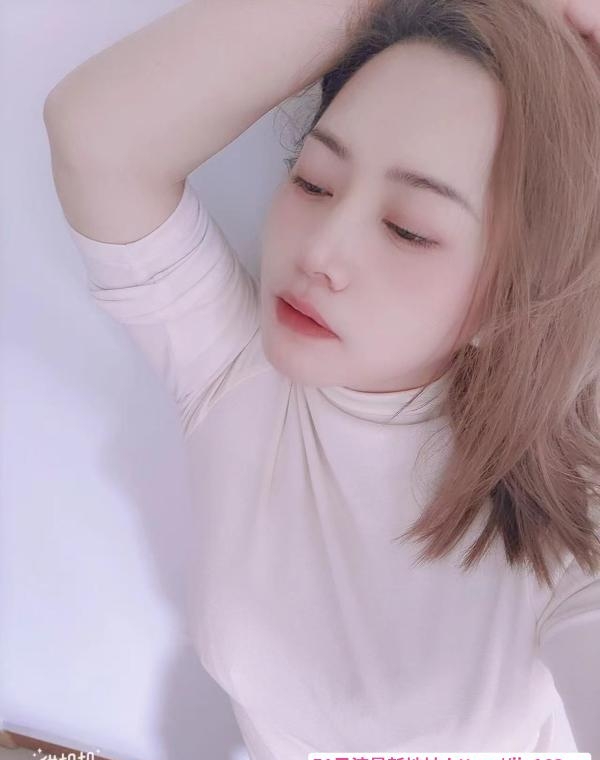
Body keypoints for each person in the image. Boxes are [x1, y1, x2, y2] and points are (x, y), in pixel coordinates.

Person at [43, 0, 600, 756]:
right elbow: (97, 138)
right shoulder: (238, 373)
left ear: (518, 299)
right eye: (313, 181)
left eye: (408, 229)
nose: (319, 252)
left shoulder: (572, 520)